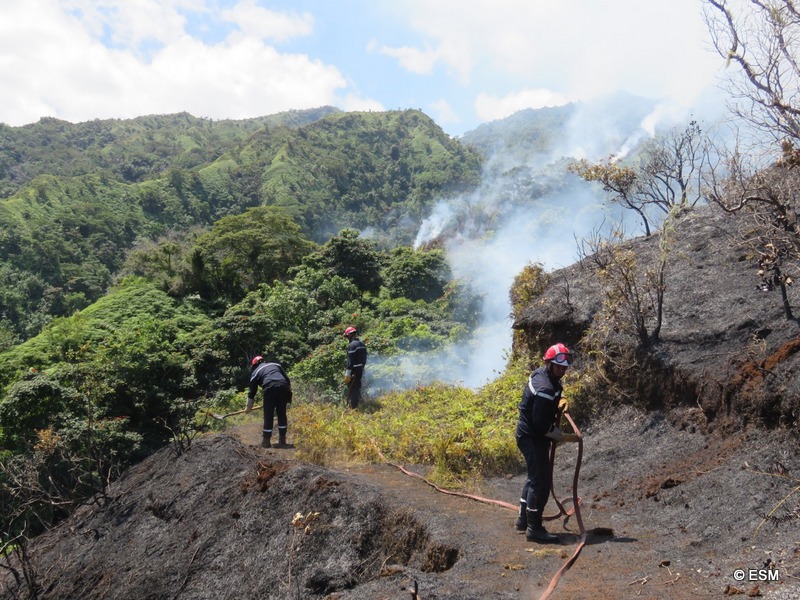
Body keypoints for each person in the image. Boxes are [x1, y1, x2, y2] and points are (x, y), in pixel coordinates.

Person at [515, 342, 573, 543]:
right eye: (558, 366)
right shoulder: (545, 387)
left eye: (564, 367)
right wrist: (552, 432)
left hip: (531, 435)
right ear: (549, 364)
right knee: (541, 482)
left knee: (533, 478)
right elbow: (539, 421)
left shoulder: (544, 375)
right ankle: (534, 528)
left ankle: (523, 521)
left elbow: (553, 391)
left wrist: (560, 398)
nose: (562, 370)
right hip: (532, 436)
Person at [246, 356, 293, 448]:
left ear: (254, 365)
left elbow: (252, 392)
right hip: (284, 387)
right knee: (281, 413)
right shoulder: (276, 365)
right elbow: (287, 380)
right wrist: (288, 395)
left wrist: (248, 407)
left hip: (270, 388)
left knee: (268, 415)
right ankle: (282, 440)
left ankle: (266, 442)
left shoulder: (255, 372)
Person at [343, 326, 367, 409]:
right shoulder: (362, 344)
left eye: (347, 336)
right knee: (357, 388)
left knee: (353, 390)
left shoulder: (352, 345)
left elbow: (350, 360)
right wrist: (362, 369)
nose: (347, 338)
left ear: (350, 335)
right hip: (360, 370)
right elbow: (364, 359)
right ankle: (361, 405)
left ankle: (355, 409)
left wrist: (348, 373)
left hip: (353, 371)